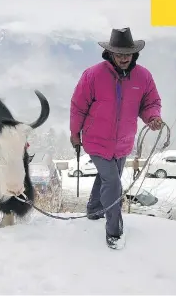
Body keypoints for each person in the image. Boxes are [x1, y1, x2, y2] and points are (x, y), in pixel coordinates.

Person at [69, 27, 163, 249]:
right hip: (96, 141)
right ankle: (114, 231)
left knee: (106, 178)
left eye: (127, 53)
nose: (123, 58)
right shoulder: (93, 75)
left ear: (134, 53)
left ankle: (93, 209)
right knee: (112, 182)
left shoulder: (143, 77)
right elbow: (78, 106)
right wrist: (75, 133)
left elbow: (150, 103)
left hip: (123, 143)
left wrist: (153, 118)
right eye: (118, 53)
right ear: (110, 53)